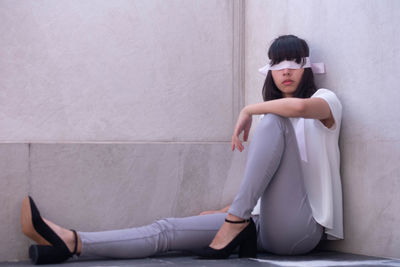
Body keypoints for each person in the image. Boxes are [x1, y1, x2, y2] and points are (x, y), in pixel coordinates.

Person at [21, 34, 343, 264]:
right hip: (259, 223)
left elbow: (300, 109)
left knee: (273, 118)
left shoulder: (326, 103)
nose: (286, 70)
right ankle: (72, 242)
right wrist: (230, 209)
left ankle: (235, 221)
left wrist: (249, 110)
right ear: (269, 69)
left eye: (294, 62)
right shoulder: (273, 115)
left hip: (300, 232)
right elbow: (269, 181)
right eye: (277, 63)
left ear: (307, 67)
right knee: (168, 230)